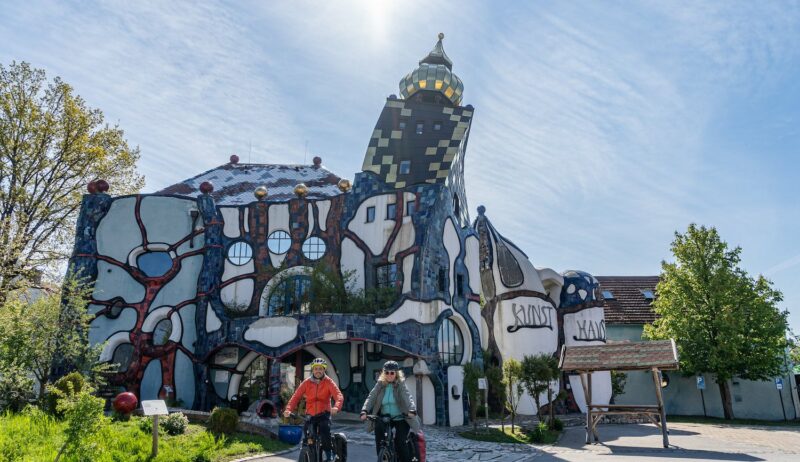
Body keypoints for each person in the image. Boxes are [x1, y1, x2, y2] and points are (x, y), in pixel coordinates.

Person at [284, 358, 344, 462]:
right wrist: (288, 409)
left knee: (325, 431)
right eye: (316, 369)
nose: (318, 371)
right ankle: (308, 452)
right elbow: (296, 396)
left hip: (324, 414)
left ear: (324, 370)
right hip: (310, 415)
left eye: (320, 369)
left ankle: (328, 456)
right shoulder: (307, 382)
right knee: (307, 434)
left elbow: (339, 396)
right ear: (313, 370)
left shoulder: (328, 382)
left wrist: (336, 407)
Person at [360, 360, 421, 461]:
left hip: (400, 417)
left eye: (392, 372)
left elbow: (407, 396)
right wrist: (364, 410)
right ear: (384, 373)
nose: (389, 375)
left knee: (400, 442)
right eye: (386, 372)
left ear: (396, 373)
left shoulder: (400, 384)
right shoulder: (380, 384)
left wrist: (412, 409)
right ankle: (382, 457)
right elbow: (371, 396)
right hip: (385, 417)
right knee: (380, 437)